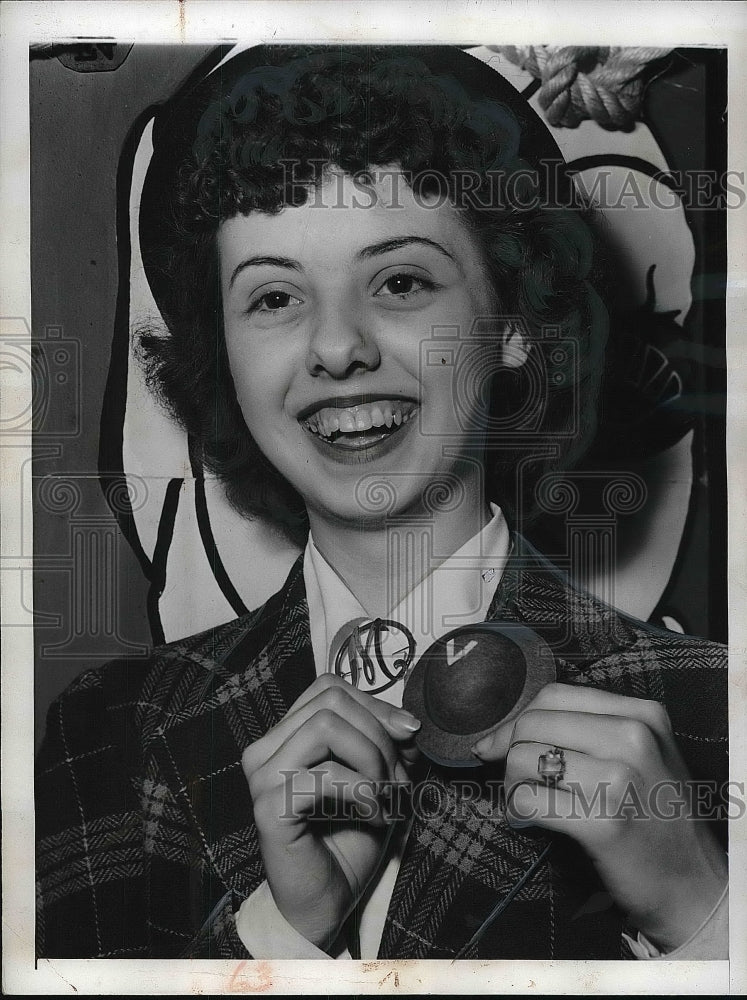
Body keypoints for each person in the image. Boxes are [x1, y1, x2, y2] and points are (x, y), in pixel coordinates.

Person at [35, 44, 728, 961]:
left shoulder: (715, 706)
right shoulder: (112, 728)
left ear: (513, 323)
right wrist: (284, 937)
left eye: (400, 282)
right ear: (226, 359)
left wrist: (702, 915)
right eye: (274, 296)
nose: (335, 349)